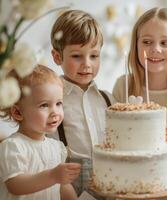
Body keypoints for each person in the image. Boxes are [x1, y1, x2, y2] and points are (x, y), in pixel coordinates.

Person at [50, 10, 115, 196]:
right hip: (69, 185)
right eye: (77, 56)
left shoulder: (109, 99)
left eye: (94, 56)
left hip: (110, 179)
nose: (87, 64)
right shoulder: (53, 100)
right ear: (57, 57)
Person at [112, 7, 167, 151]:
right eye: (147, 42)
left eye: (164, 43)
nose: (155, 49)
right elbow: (112, 139)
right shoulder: (123, 86)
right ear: (136, 45)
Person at [0, 65, 81, 200]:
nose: (55, 112)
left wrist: (61, 181)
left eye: (58, 103)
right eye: (44, 105)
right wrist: (53, 176)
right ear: (17, 112)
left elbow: (63, 187)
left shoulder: (57, 148)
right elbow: (15, 186)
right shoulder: (12, 147)